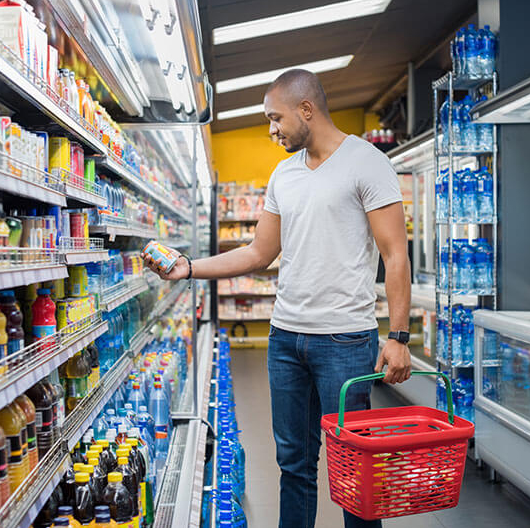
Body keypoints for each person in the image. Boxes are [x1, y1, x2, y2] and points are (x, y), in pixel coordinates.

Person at [143, 69, 412, 528]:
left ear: (306, 109)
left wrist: (399, 336)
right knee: (293, 465)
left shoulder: (366, 163)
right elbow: (257, 253)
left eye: (275, 118)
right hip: (286, 339)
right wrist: (189, 268)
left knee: (353, 467)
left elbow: (395, 253)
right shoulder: (283, 175)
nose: (271, 130)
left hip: (345, 341)